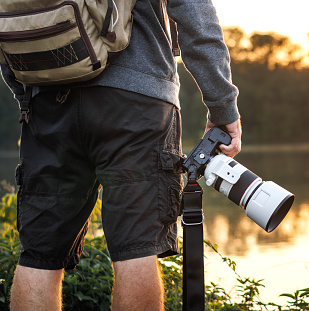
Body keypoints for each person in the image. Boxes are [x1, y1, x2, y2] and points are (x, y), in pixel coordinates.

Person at [0, 0, 241, 309]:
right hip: (136, 100)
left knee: (40, 254)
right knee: (137, 246)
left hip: (47, 102)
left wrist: (27, 94)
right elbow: (195, 15)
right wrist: (223, 106)